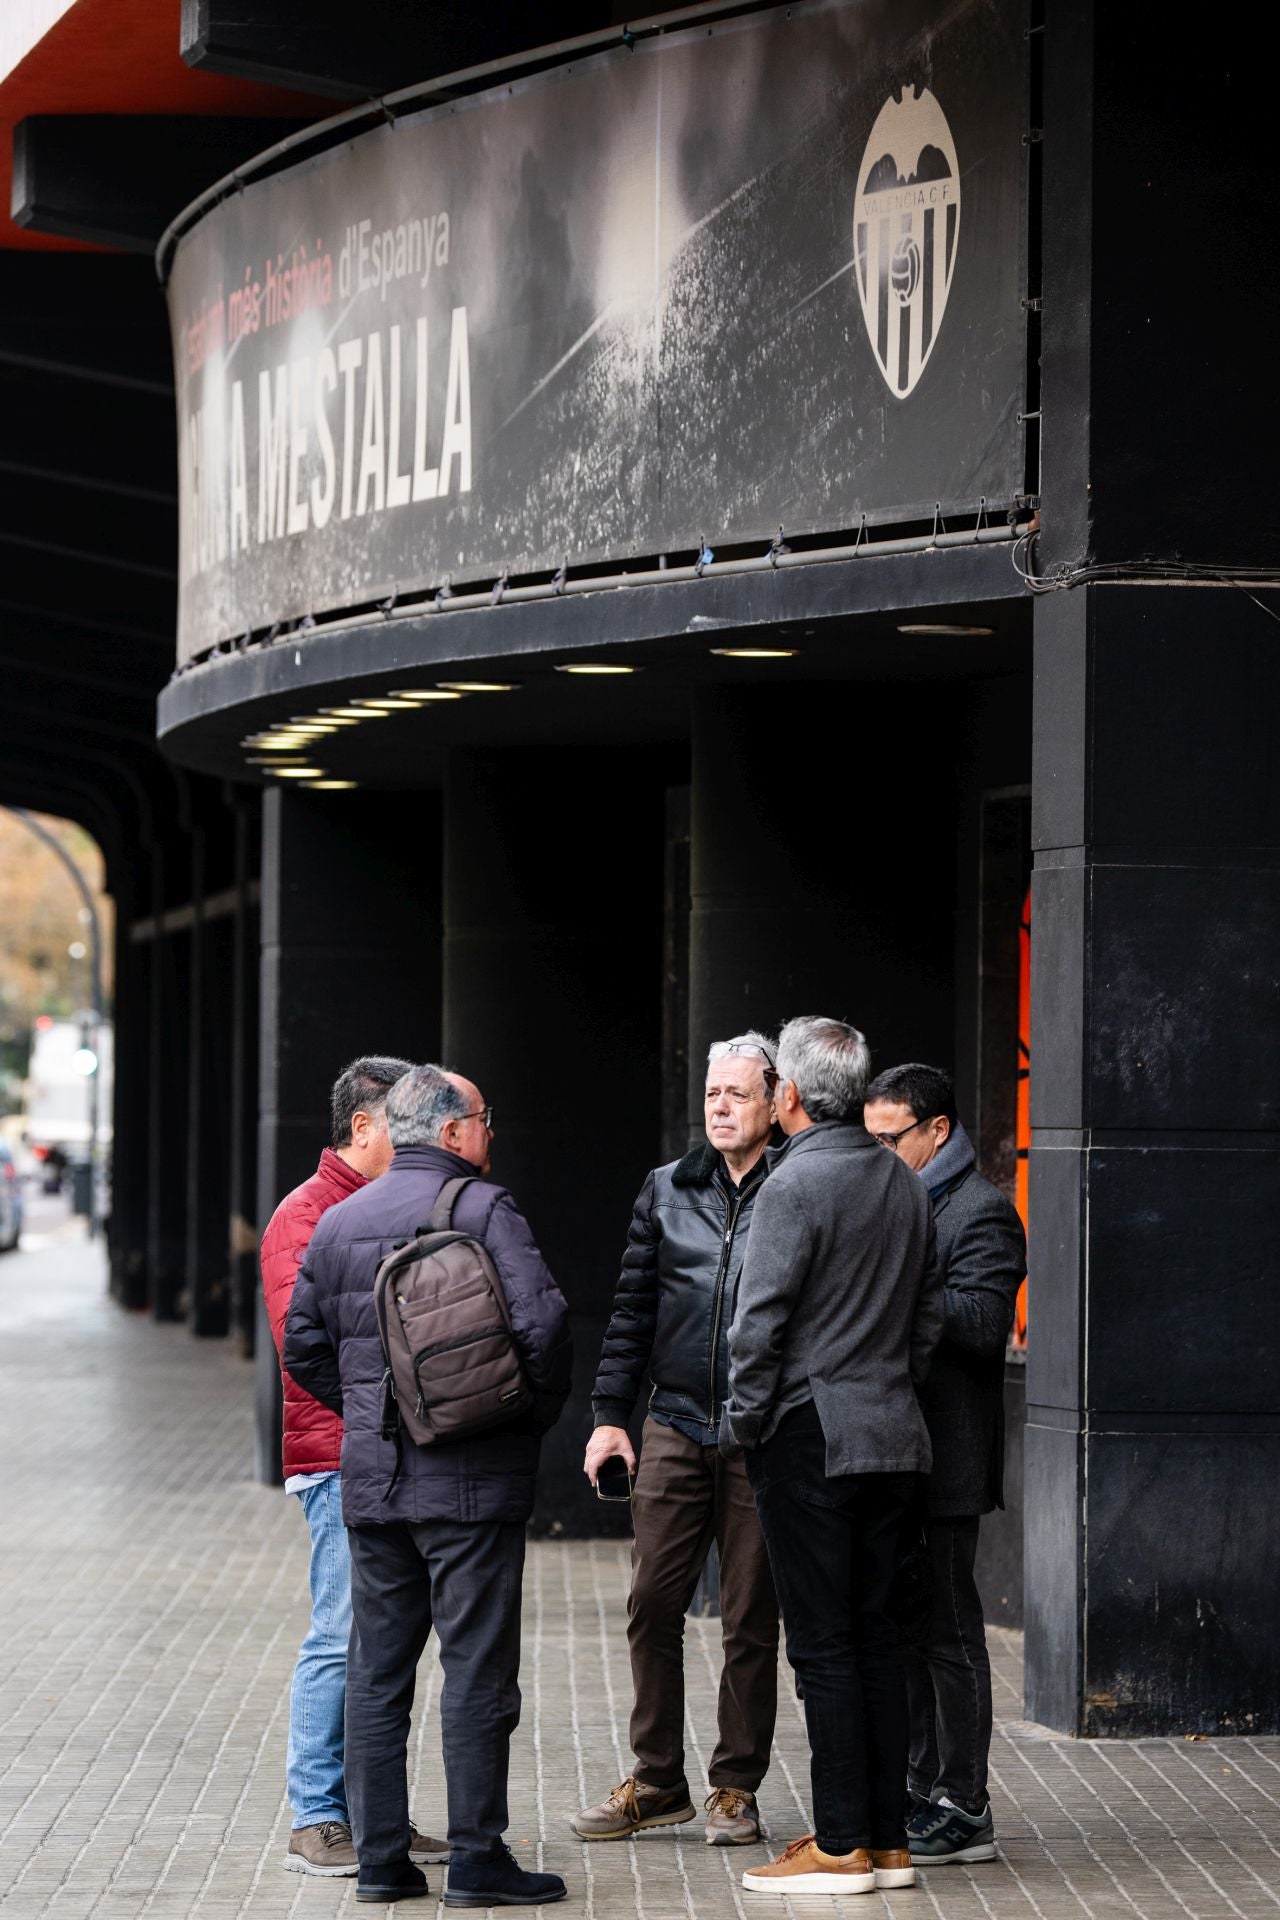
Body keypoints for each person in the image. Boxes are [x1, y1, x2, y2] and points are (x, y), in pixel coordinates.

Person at [283, 1063, 573, 1908]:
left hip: (373, 1486)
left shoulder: (340, 1221)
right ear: (451, 1132)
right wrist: (519, 1414)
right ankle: (479, 1859)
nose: (490, 1132)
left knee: (378, 1675)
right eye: (484, 1118)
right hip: (472, 1483)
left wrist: (377, 1410)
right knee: (478, 1671)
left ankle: (380, 1863)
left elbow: (302, 1348)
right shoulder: (484, 1209)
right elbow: (545, 1324)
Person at [722, 1016, 944, 1896]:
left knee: (823, 1646)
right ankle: (886, 1842)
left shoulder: (792, 1185)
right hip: (892, 1429)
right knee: (879, 1641)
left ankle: (842, 1843)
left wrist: (749, 1422)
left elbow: (757, 1327)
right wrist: (887, 1377)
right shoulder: (902, 1180)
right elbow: (925, 1316)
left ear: (789, 1097)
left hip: (812, 1433)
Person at [575, 1033, 782, 1847]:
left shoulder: (795, 1185)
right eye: (710, 1095)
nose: (720, 1108)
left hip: (759, 1430)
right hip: (673, 1421)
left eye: (737, 1093)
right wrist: (607, 1417)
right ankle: (659, 1779)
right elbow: (630, 1313)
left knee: (749, 1616)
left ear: (774, 1100)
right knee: (651, 1601)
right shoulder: (667, 1189)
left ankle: (735, 1786)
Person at [261, 1054, 446, 1880]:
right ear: (363, 1128)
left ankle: (376, 1819)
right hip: (341, 1458)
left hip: (386, 1451)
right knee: (341, 1637)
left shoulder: (377, 1204)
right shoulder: (309, 1215)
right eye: (401, 1126)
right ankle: (318, 1817)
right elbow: (314, 1353)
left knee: (386, 1643)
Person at [863, 1063, 1025, 1866]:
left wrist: (895, 1283)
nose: (878, 1152)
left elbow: (986, 1324)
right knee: (907, 1631)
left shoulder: (983, 1211)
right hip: (898, 1450)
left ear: (936, 1130)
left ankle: (965, 1805)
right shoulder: (903, 1197)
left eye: (890, 1138)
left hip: (950, 1457)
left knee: (953, 1635)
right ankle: (923, 1787)